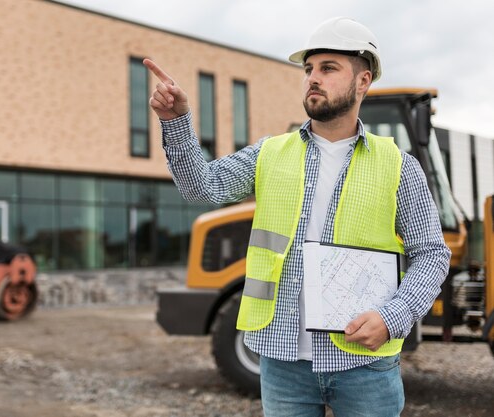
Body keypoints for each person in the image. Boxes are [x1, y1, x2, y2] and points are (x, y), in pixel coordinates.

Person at [144, 16, 450, 417]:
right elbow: (202, 186)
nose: (312, 79)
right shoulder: (270, 153)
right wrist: (176, 122)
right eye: (308, 69)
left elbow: (432, 253)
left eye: (328, 68)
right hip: (282, 362)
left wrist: (395, 317)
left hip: (365, 365)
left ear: (363, 81)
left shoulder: (398, 166)